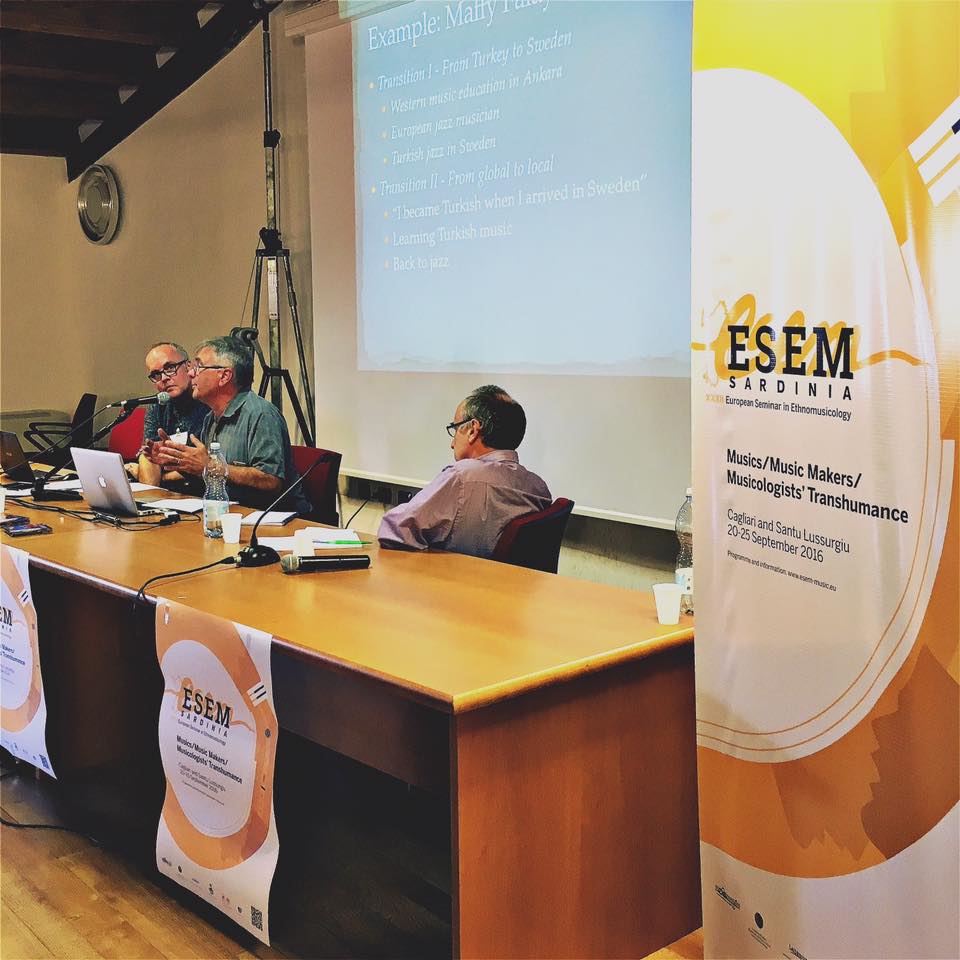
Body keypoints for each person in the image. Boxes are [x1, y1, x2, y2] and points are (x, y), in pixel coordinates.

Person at [378, 385, 551, 558]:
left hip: (451, 574)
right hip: (505, 576)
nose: (452, 443)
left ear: (473, 430)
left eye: (455, 429)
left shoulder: (462, 477)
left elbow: (395, 530)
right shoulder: (539, 488)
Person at [145, 336, 311, 514]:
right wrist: (179, 461)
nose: (191, 373)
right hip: (230, 513)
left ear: (224, 376)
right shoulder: (211, 418)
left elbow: (271, 481)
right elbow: (208, 476)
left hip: (275, 520)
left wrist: (211, 466)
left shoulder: (261, 414)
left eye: (199, 366)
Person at [136, 341, 209, 489]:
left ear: (188, 366)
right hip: (168, 493)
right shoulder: (157, 406)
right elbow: (150, 457)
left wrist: (161, 478)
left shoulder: (208, 401)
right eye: (156, 374)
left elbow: (207, 464)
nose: (163, 378)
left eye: (170, 368)